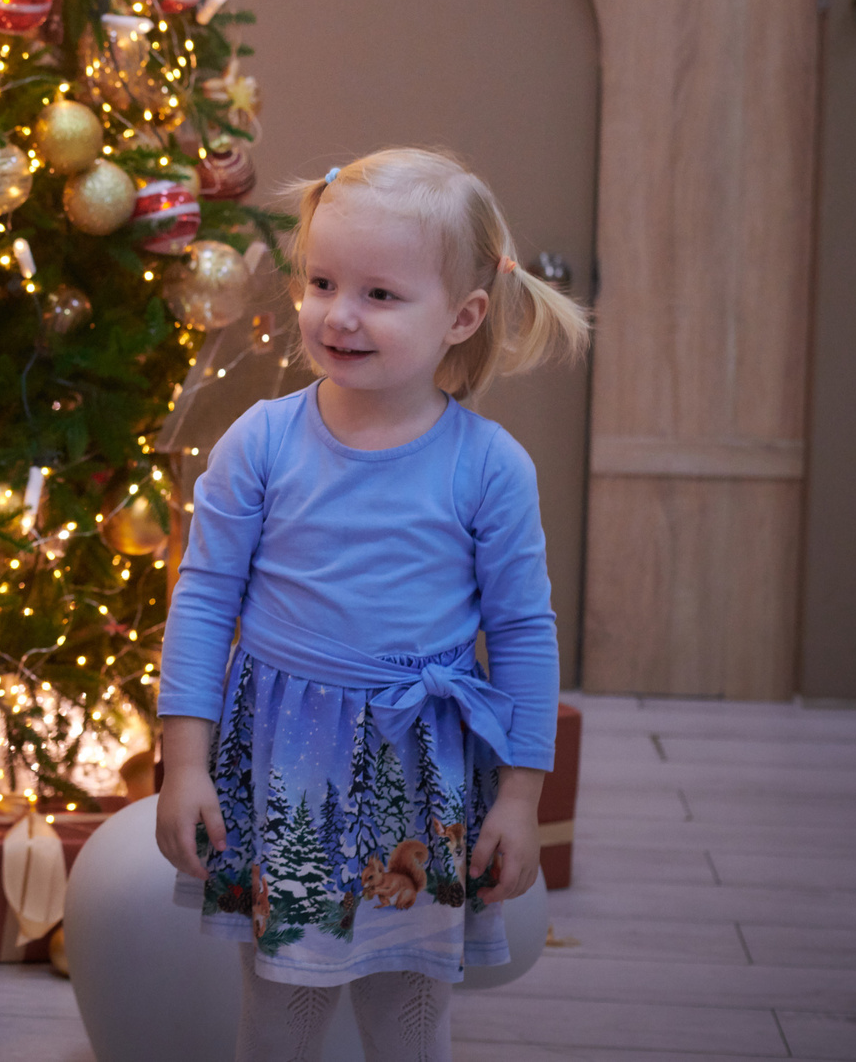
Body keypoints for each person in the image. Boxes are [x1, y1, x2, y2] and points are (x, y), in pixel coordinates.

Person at [151, 149, 590, 1062]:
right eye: (320, 281)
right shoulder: (263, 442)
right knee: (285, 1004)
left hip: (421, 765)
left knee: (410, 1003)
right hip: (287, 766)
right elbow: (201, 602)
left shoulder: (489, 464)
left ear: (463, 317)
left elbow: (521, 634)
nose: (338, 314)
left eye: (380, 294)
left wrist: (521, 796)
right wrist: (181, 764)